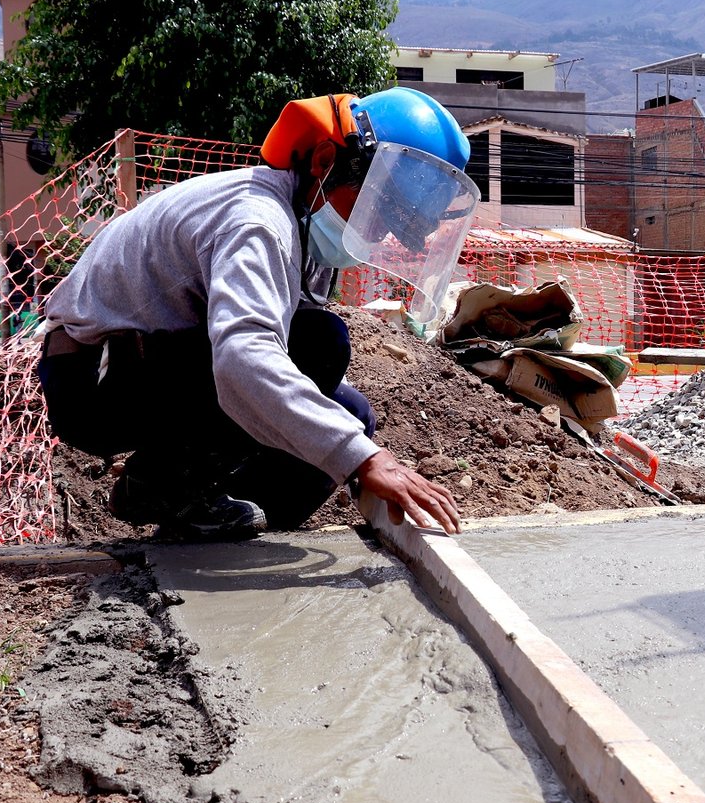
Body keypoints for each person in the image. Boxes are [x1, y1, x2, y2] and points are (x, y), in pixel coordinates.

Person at [36, 86, 481, 540]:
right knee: (320, 345)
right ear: (325, 162)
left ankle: (215, 526)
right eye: (373, 209)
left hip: (151, 363)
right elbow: (243, 356)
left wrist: (350, 445)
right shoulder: (259, 222)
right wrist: (365, 460)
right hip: (91, 379)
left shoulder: (304, 223)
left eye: (388, 223)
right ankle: (161, 487)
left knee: (352, 414)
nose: (374, 231)